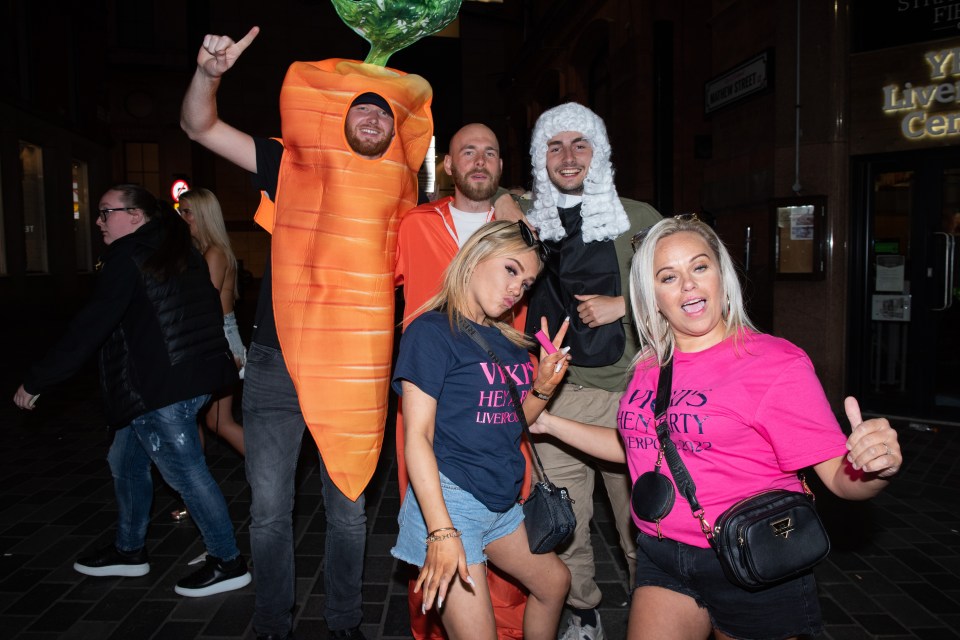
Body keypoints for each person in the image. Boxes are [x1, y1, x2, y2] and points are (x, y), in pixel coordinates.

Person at [530, 215, 904, 640]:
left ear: (721, 275)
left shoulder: (775, 363)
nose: (688, 284)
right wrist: (549, 424)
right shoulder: (650, 366)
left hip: (753, 558)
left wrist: (874, 469)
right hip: (663, 556)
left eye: (700, 267)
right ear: (650, 296)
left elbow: (841, 480)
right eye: (668, 276)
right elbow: (637, 447)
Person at [181, 27, 432, 640]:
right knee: (269, 511)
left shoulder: (406, 192)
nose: (371, 115)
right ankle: (273, 623)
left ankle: (343, 623)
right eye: (359, 106)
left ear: (395, 128)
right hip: (276, 364)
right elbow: (201, 128)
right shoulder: (288, 162)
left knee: (347, 511)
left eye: (382, 110)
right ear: (336, 117)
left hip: (358, 369)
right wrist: (208, 76)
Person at [12, 184, 251, 598]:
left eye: (107, 212)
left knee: (187, 474)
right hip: (175, 382)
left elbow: (91, 325)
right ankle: (129, 549)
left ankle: (227, 560)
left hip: (162, 387)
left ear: (135, 216)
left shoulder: (132, 255)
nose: (99, 221)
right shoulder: (173, 249)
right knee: (125, 460)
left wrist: (38, 380)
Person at [392, 220, 572, 640]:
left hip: (500, 502)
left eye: (525, 283)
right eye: (511, 270)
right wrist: (440, 531)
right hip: (450, 501)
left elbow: (512, 423)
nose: (517, 289)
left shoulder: (505, 339)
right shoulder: (432, 332)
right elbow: (415, 436)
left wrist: (542, 387)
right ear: (475, 256)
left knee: (554, 584)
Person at [523, 101, 661, 639]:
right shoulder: (528, 219)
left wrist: (623, 303)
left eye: (581, 144)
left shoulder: (640, 218)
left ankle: (656, 608)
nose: (568, 155)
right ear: (541, 157)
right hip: (560, 393)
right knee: (567, 522)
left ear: (600, 153)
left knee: (643, 521)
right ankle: (582, 612)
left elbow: (696, 284)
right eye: (554, 145)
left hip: (632, 394)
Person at [395, 123, 533, 639]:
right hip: (432, 398)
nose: (479, 160)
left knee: (508, 530)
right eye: (467, 152)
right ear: (448, 165)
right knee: (437, 526)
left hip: (502, 400)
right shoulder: (414, 224)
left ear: (501, 166)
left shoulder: (523, 228)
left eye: (491, 152)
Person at [178, 188, 246, 456]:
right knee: (213, 421)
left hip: (218, 339)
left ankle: (271, 475)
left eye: (187, 212)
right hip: (223, 338)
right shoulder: (208, 251)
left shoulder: (214, 254)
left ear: (203, 215)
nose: (182, 218)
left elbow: (204, 305)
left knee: (211, 421)